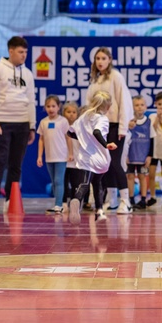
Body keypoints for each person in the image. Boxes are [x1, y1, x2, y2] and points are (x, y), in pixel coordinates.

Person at [0, 36, 36, 215]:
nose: (24, 56)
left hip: (22, 123)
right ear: (11, 51)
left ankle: (9, 200)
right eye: (21, 52)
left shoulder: (28, 74)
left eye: (26, 53)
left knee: (16, 164)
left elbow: (31, 100)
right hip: (3, 123)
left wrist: (32, 126)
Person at [87, 47, 133, 214]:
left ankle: (126, 201)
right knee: (104, 164)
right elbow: (89, 105)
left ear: (109, 60)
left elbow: (124, 102)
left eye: (103, 58)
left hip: (115, 126)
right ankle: (112, 200)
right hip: (100, 127)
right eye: (97, 58)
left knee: (115, 163)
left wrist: (123, 127)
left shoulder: (116, 77)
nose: (100, 61)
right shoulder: (95, 80)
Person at [68, 90, 117, 224]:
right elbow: (97, 132)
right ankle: (99, 211)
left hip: (84, 157)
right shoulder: (102, 119)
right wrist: (106, 144)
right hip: (99, 157)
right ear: (107, 107)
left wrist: (84, 140)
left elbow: (70, 132)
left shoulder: (84, 116)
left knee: (85, 183)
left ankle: (77, 200)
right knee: (97, 182)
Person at [36, 95, 70, 214]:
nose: (51, 109)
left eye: (53, 106)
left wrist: (70, 153)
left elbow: (68, 138)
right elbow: (41, 139)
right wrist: (40, 156)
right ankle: (59, 203)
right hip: (49, 157)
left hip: (61, 156)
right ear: (45, 107)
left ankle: (59, 205)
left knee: (58, 180)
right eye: (48, 106)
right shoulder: (43, 122)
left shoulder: (63, 121)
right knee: (54, 181)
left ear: (58, 107)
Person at [126, 95, 154, 209]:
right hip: (131, 155)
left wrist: (149, 155)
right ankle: (131, 199)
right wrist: (125, 155)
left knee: (142, 177)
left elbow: (152, 139)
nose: (139, 107)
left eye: (142, 105)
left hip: (143, 156)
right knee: (130, 177)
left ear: (146, 107)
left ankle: (143, 200)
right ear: (132, 107)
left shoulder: (149, 122)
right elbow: (125, 139)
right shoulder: (128, 123)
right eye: (136, 105)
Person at [62, 102, 81, 211]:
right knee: (63, 182)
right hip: (63, 159)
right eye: (68, 112)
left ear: (77, 114)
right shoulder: (61, 125)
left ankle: (74, 203)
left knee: (75, 183)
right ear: (64, 113)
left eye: (74, 112)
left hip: (76, 160)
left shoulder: (80, 127)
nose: (71, 114)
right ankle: (63, 202)